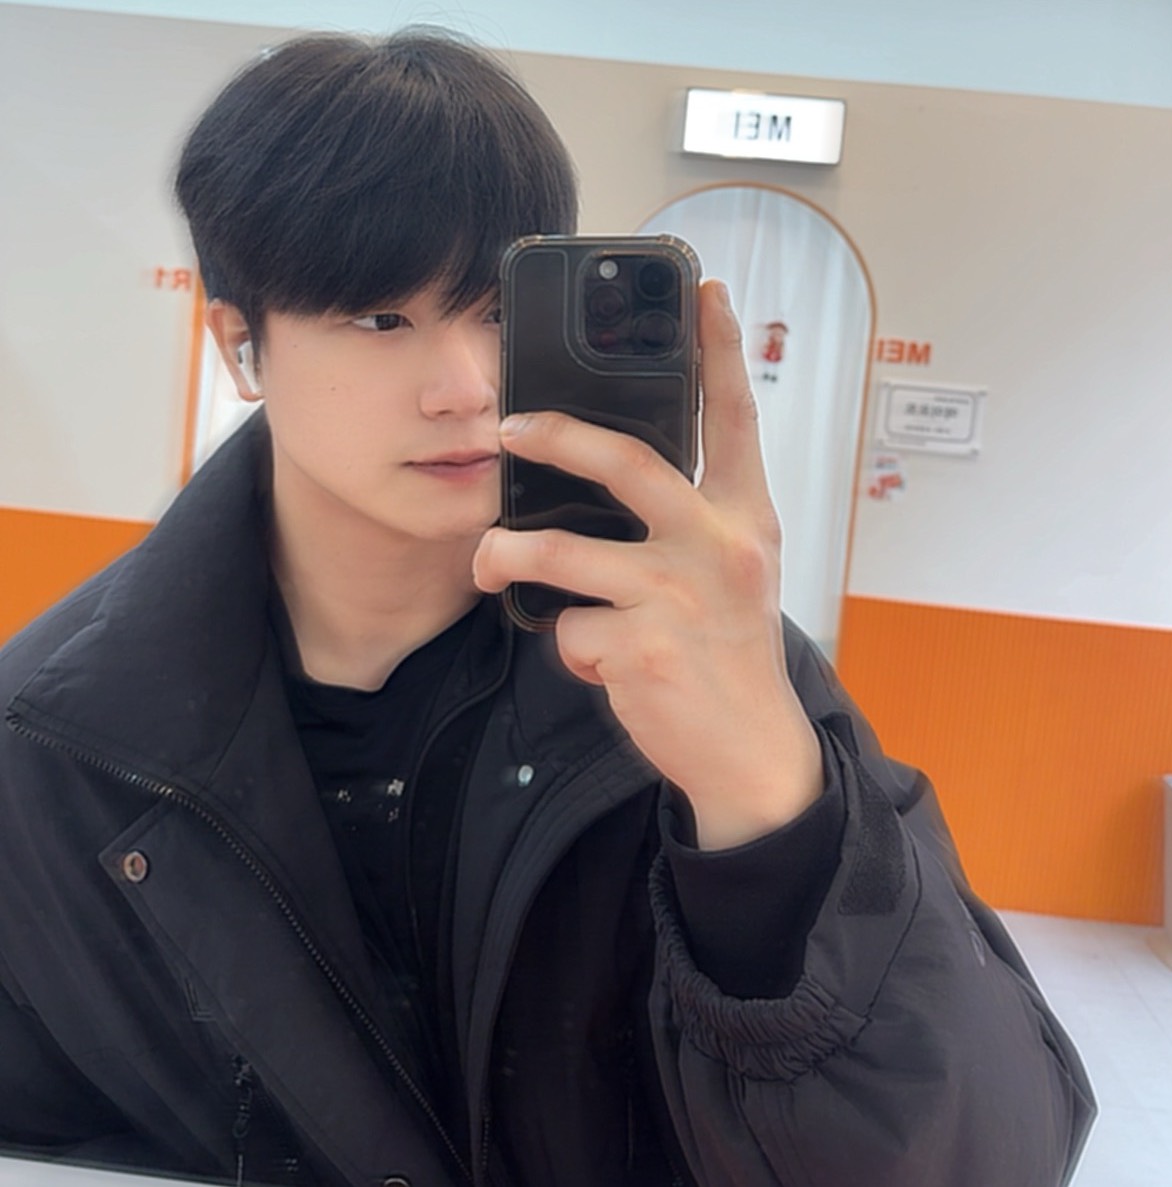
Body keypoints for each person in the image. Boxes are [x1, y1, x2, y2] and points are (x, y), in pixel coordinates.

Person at [0, 28, 1094, 1187]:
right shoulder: (58, 742)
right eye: (380, 319)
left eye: (496, 309)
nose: (467, 387)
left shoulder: (706, 665)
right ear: (240, 343)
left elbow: (989, 1160)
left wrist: (768, 801)